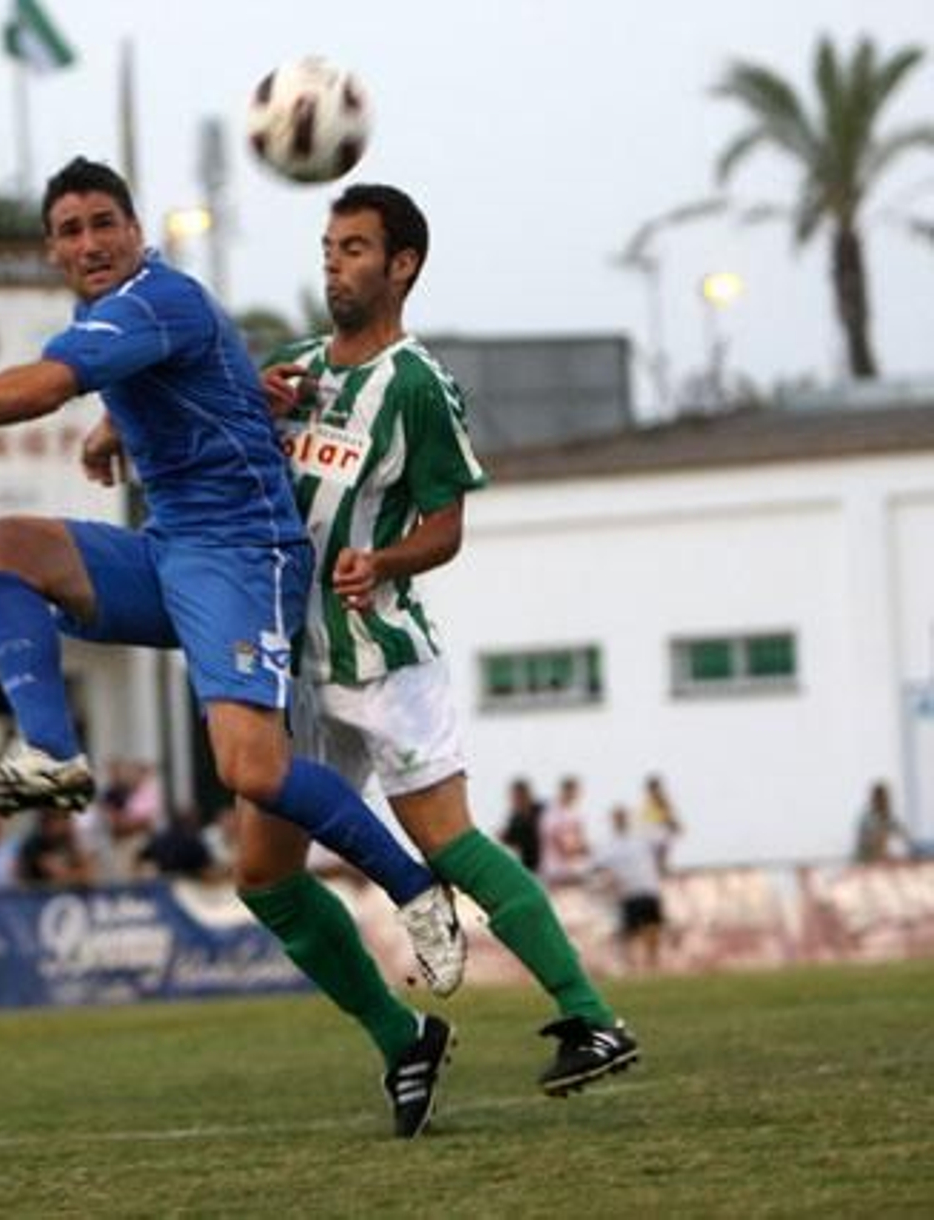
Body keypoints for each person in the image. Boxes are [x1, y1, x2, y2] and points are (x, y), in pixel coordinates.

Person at [0, 156, 461, 1138]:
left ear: (136, 232)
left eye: (104, 222)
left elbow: (49, 380)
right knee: (1, 548)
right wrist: (116, 427)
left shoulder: (158, 294)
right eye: (68, 229)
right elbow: (183, 386)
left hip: (244, 552)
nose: (88, 243)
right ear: (53, 248)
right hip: (172, 547)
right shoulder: (139, 315)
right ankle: (53, 750)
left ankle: (416, 889)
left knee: (250, 769)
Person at [260, 183, 637, 1098]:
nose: (334, 265)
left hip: (384, 654)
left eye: (354, 249)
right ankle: (405, 1039)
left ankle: (592, 1018)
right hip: (296, 667)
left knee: (449, 843)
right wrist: (252, 410)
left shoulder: (419, 385)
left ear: (402, 265)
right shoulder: (296, 369)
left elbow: (446, 528)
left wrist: (380, 558)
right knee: (262, 877)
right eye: (328, 247)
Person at [594, 805, 666, 972]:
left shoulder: (642, 837)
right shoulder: (608, 845)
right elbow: (600, 868)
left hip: (648, 888)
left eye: (622, 816)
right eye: (617, 817)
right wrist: (610, 882)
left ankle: (653, 966)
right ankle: (631, 967)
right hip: (628, 894)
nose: (620, 820)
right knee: (628, 933)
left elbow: (665, 843)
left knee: (653, 929)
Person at [18, 808, 96, 886]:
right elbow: (21, 879)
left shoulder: (74, 842)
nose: (50, 823)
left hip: (71, 895)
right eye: (46, 819)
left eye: (55, 818)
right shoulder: (32, 845)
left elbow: (89, 875)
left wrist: (66, 873)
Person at [539, 775, 593, 887]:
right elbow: (558, 843)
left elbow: (583, 842)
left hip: (574, 872)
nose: (575, 795)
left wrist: (583, 848)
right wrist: (578, 850)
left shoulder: (576, 814)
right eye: (572, 791)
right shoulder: (551, 813)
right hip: (555, 874)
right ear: (564, 791)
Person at [855, 781, 911, 863]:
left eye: (885, 798)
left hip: (881, 858)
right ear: (874, 800)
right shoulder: (867, 818)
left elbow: (904, 834)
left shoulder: (888, 817)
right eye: (880, 798)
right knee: (881, 834)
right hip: (866, 859)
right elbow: (871, 839)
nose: (884, 801)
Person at [499, 777, 545, 875]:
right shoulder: (515, 819)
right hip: (530, 868)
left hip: (548, 865)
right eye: (514, 797)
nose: (516, 800)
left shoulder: (542, 811)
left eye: (519, 796)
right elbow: (511, 841)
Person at [638, 773, 683, 872]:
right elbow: (667, 814)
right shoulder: (657, 798)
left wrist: (674, 824)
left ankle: (660, 868)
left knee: (658, 852)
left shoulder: (649, 799)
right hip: (656, 828)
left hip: (652, 828)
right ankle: (661, 868)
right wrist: (675, 825)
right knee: (660, 851)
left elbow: (667, 814)